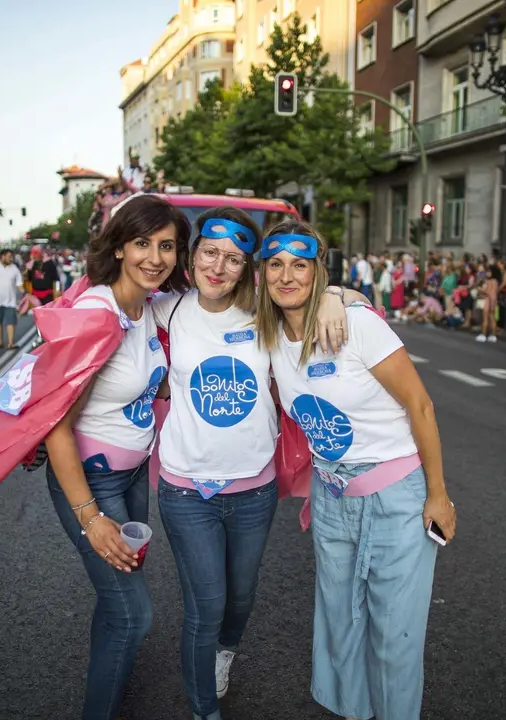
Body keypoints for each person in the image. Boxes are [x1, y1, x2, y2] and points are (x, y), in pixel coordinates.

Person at [149, 208, 358, 720]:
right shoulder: (167, 310)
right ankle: (204, 710)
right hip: (185, 491)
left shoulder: (265, 312)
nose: (219, 267)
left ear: (249, 268)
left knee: (240, 598)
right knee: (207, 604)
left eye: (235, 258)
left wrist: (334, 294)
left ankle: (224, 654)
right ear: (193, 254)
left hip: (254, 491)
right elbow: (108, 299)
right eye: (210, 253)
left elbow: (336, 298)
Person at [255, 221, 457, 720]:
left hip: (396, 496)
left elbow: (421, 406)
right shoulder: (269, 335)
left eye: (300, 265)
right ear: (262, 273)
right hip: (330, 498)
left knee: (394, 635)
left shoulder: (356, 325)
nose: (287, 276)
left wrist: (438, 495)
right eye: (275, 264)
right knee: (340, 628)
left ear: (317, 270)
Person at [42, 194, 189, 720]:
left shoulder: (147, 306)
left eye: (167, 245)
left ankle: (108, 682)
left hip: (128, 479)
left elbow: (246, 294)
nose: (155, 257)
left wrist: (338, 295)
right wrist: (91, 518)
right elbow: (55, 426)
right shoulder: (95, 315)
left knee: (116, 603)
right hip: (92, 484)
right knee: (134, 615)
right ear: (120, 247)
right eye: (142, 243)